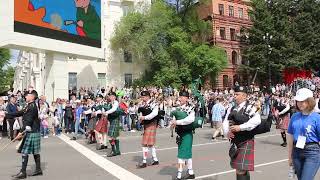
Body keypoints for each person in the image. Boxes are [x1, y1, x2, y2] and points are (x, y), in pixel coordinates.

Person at [223, 86, 261, 180]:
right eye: (234, 94)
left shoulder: (251, 107)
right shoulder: (231, 108)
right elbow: (225, 122)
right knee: (239, 169)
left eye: (237, 94)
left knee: (241, 169)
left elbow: (257, 120)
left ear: (244, 96)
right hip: (235, 142)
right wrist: (226, 132)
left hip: (246, 140)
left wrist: (240, 127)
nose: (234, 96)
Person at [5, 90, 43, 179]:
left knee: (24, 151)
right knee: (35, 151)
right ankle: (38, 170)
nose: (25, 97)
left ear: (32, 97)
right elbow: (20, 112)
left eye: (27, 95)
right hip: (33, 131)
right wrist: (7, 115)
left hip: (31, 131)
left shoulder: (32, 106)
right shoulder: (29, 105)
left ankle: (23, 172)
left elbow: (28, 121)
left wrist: (20, 133)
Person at [288, 88, 320, 180]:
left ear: (310, 101)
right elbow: (290, 136)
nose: (300, 103)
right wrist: (289, 156)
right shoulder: (294, 116)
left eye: (303, 101)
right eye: (298, 101)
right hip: (296, 151)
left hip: (312, 152)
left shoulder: (317, 117)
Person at [170, 91, 196, 180]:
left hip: (187, 133)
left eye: (182, 97)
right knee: (187, 154)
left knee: (181, 155)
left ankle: (179, 175)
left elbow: (190, 120)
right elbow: (172, 119)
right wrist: (172, 123)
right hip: (180, 133)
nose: (180, 98)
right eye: (179, 97)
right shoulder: (177, 108)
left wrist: (177, 122)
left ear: (187, 98)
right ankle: (191, 172)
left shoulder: (191, 108)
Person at [137, 91, 160, 168]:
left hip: (152, 123)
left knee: (145, 143)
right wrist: (140, 117)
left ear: (147, 96)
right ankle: (155, 159)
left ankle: (144, 161)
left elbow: (155, 113)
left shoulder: (154, 103)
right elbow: (140, 111)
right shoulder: (143, 104)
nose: (142, 98)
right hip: (146, 124)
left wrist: (144, 117)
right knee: (150, 143)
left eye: (143, 97)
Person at [104, 92, 121, 157]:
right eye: (109, 96)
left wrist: (106, 112)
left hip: (115, 120)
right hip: (111, 120)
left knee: (111, 137)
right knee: (113, 137)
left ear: (114, 97)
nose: (110, 97)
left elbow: (113, 109)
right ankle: (117, 151)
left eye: (111, 96)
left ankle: (115, 151)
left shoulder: (116, 102)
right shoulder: (109, 103)